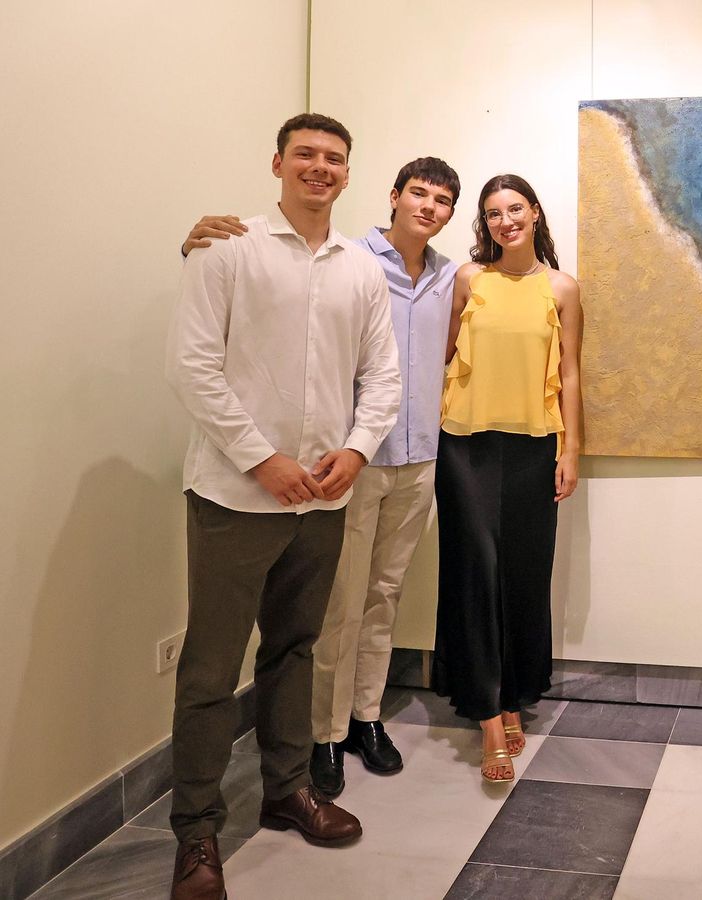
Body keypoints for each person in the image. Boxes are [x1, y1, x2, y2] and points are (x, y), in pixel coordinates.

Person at [165, 113, 400, 900]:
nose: (320, 168)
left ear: (346, 173)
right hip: (237, 495)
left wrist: (357, 450)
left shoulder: (361, 271)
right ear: (277, 163)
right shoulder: (226, 249)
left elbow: (384, 379)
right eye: (306, 154)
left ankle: (288, 788)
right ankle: (196, 834)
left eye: (334, 159)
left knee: (295, 647)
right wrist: (262, 460)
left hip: (322, 499)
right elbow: (193, 367)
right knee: (209, 668)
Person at [180, 158, 463, 799]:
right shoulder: (349, 258)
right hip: (346, 463)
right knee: (336, 607)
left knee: (383, 596)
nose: (429, 206)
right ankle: (325, 735)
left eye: (443, 199)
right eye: (418, 193)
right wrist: (192, 242)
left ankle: (366, 717)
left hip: (416, 457)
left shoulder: (451, 276)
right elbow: (260, 290)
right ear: (392, 196)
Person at [433, 174, 583, 782]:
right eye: (493, 213)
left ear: (535, 213)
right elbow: (439, 353)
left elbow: (570, 373)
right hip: (463, 444)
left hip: (533, 448)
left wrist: (572, 450)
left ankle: (516, 693)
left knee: (523, 573)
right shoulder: (468, 280)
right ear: (484, 223)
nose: (505, 221)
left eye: (514, 209)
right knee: (476, 570)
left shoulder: (563, 288)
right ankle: (490, 713)